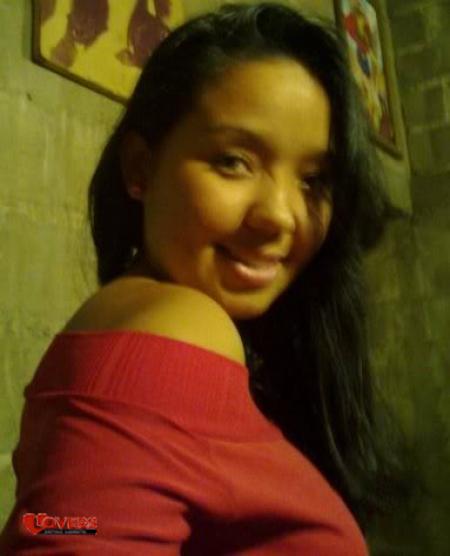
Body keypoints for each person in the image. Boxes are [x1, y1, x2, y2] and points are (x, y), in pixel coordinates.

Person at [0, 2, 415, 554]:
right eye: (233, 161)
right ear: (140, 168)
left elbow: (55, 523)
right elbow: (69, 530)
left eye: (314, 180)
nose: (280, 216)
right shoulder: (175, 323)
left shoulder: (179, 331)